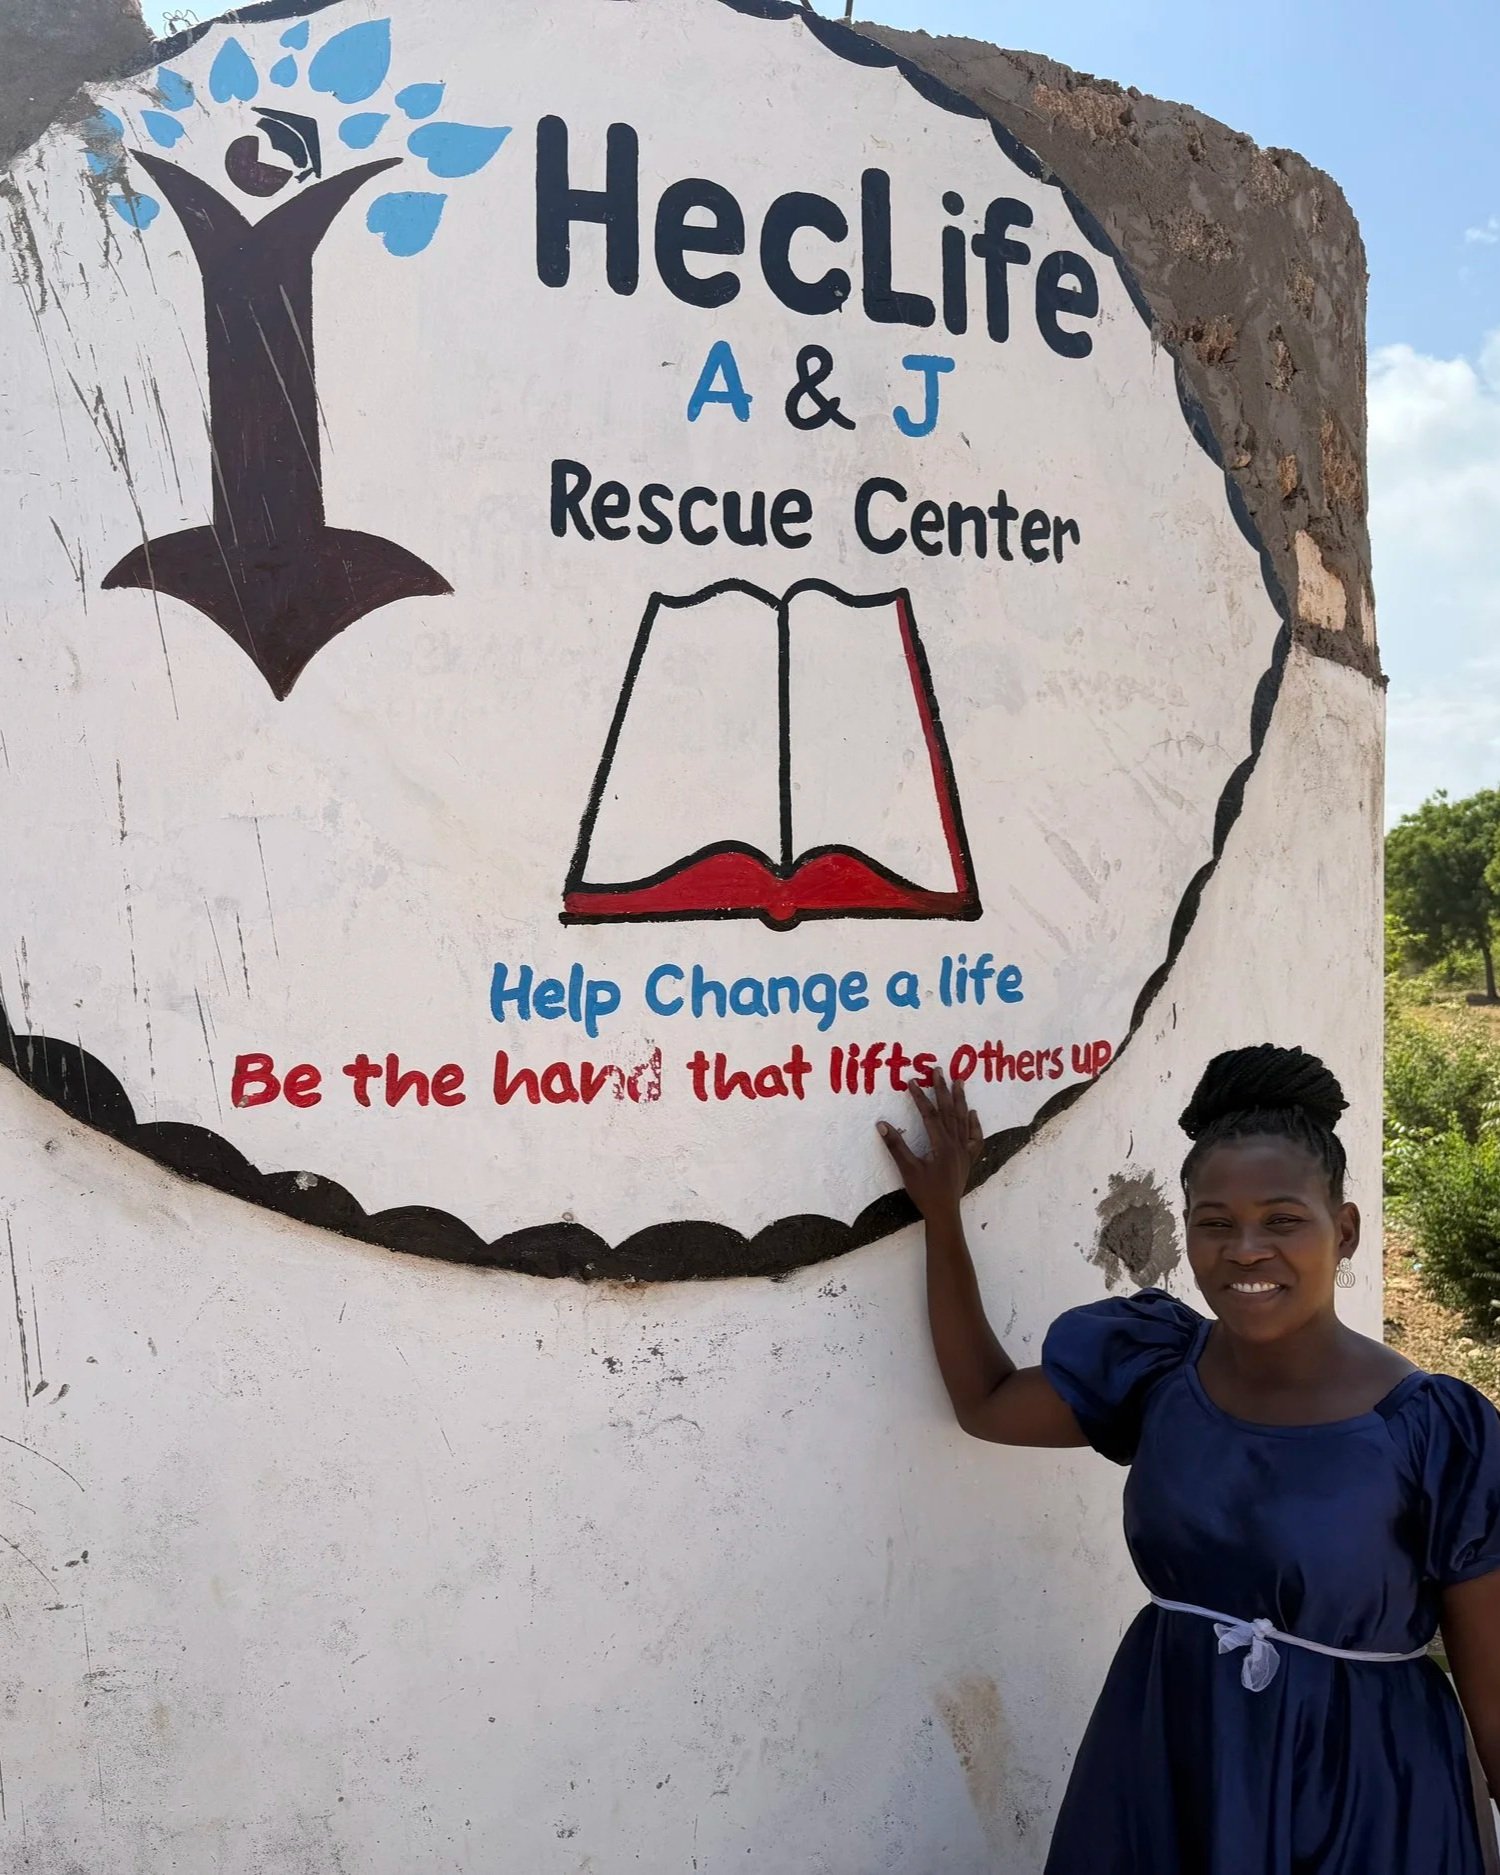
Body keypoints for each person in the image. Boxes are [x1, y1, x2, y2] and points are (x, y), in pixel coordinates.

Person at [879, 1044, 1500, 1874]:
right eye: (1216, 1221)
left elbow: (1494, 1706)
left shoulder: (1434, 1429)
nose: (1245, 1248)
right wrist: (944, 1215)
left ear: (1343, 1229)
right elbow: (986, 1402)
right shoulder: (1160, 1371)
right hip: (1169, 1759)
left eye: (1282, 1218)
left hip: (1362, 1796)